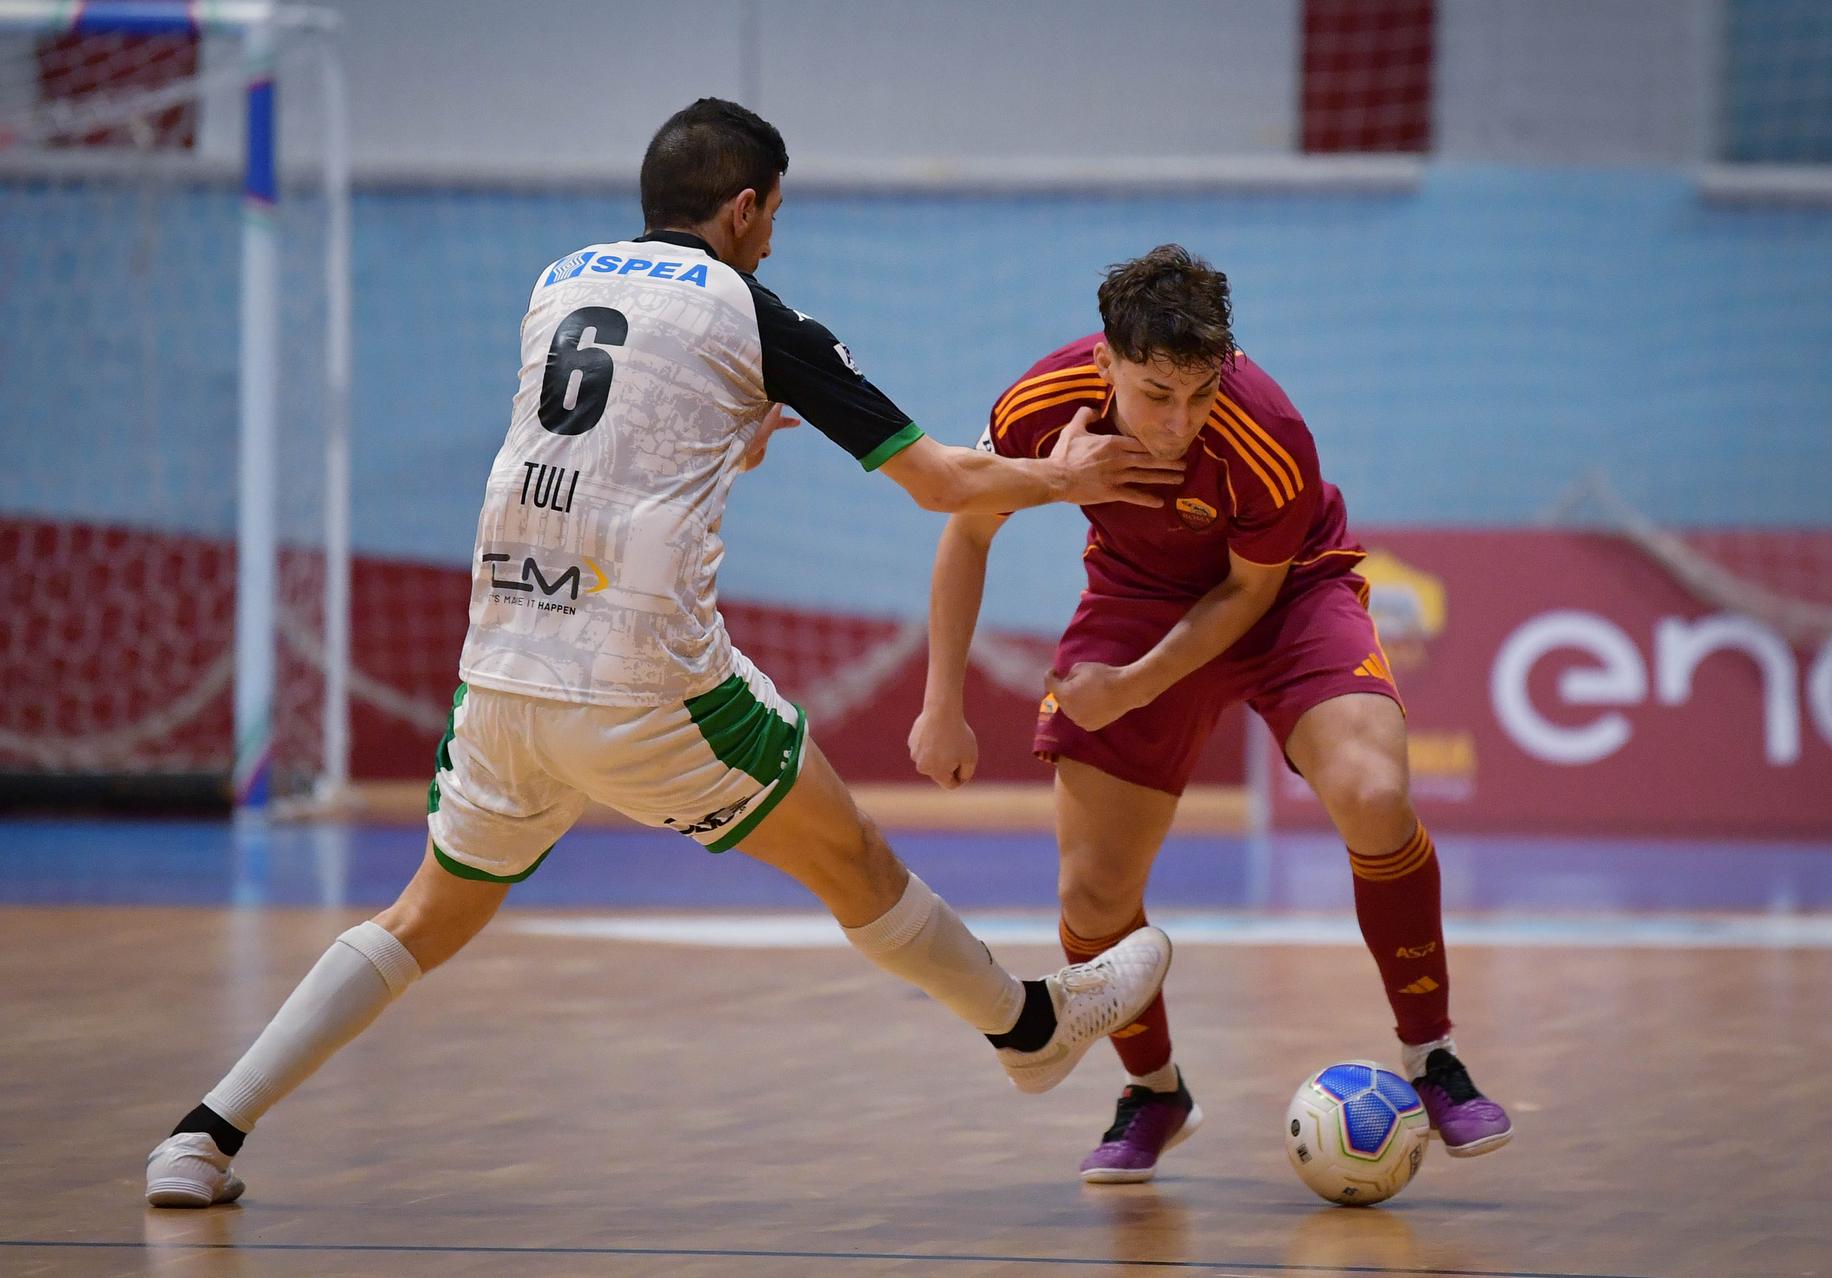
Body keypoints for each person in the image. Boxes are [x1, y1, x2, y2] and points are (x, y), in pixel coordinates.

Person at [144, 99, 1185, 1208]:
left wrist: (723, 448)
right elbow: (938, 480)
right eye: (772, 216)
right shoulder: (756, 313)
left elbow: (603, 444)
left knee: (421, 919)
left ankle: (202, 1137)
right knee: (856, 864)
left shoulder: (559, 283)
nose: (773, 240)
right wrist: (1065, 477)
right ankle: (1028, 1031)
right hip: (646, 685)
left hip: (501, 670)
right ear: (742, 208)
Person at [909, 244, 1512, 1184]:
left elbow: (1246, 597)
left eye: (1199, 394)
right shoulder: (1041, 405)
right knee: (1092, 895)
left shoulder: (1268, 430)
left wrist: (1133, 686)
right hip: (1136, 597)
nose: (1179, 422)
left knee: (1374, 793)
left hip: (1290, 597)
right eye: (1157, 394)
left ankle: (1432, 1057)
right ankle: (1154, 1091)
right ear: (1105, 363)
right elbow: (969, 528)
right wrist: (941, 703)